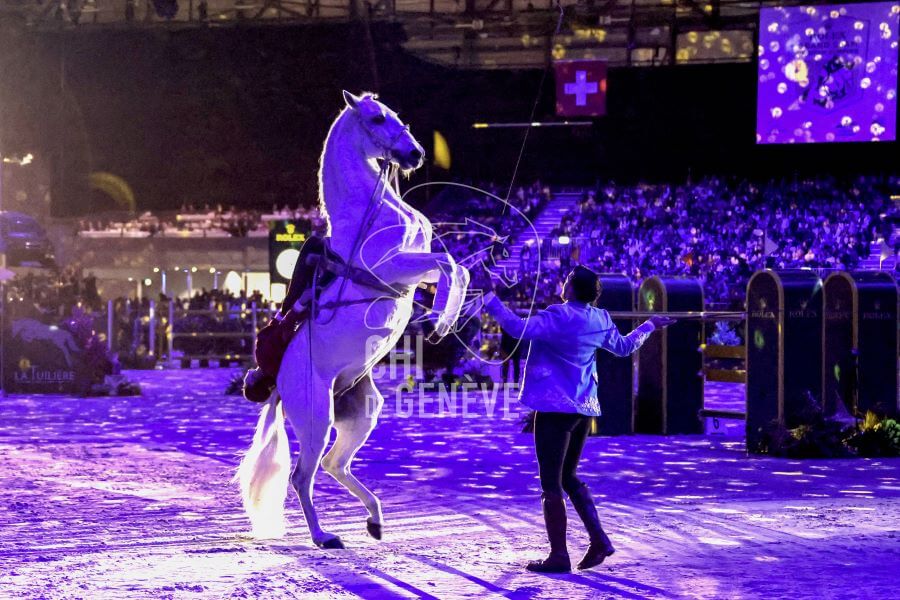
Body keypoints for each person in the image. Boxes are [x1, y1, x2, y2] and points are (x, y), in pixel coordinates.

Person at [477, 264, 675, 573]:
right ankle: (599, 541)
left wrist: (488, 297)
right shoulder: (600, 317)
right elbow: (624, 348)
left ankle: (559, 555)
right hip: (582, 408)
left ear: (570, 287)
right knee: (568, 476)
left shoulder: (558, 315)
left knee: (551, 483)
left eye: (566, 279)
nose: (563, 282)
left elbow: (517, 329)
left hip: (554, 408)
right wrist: (649, 325)